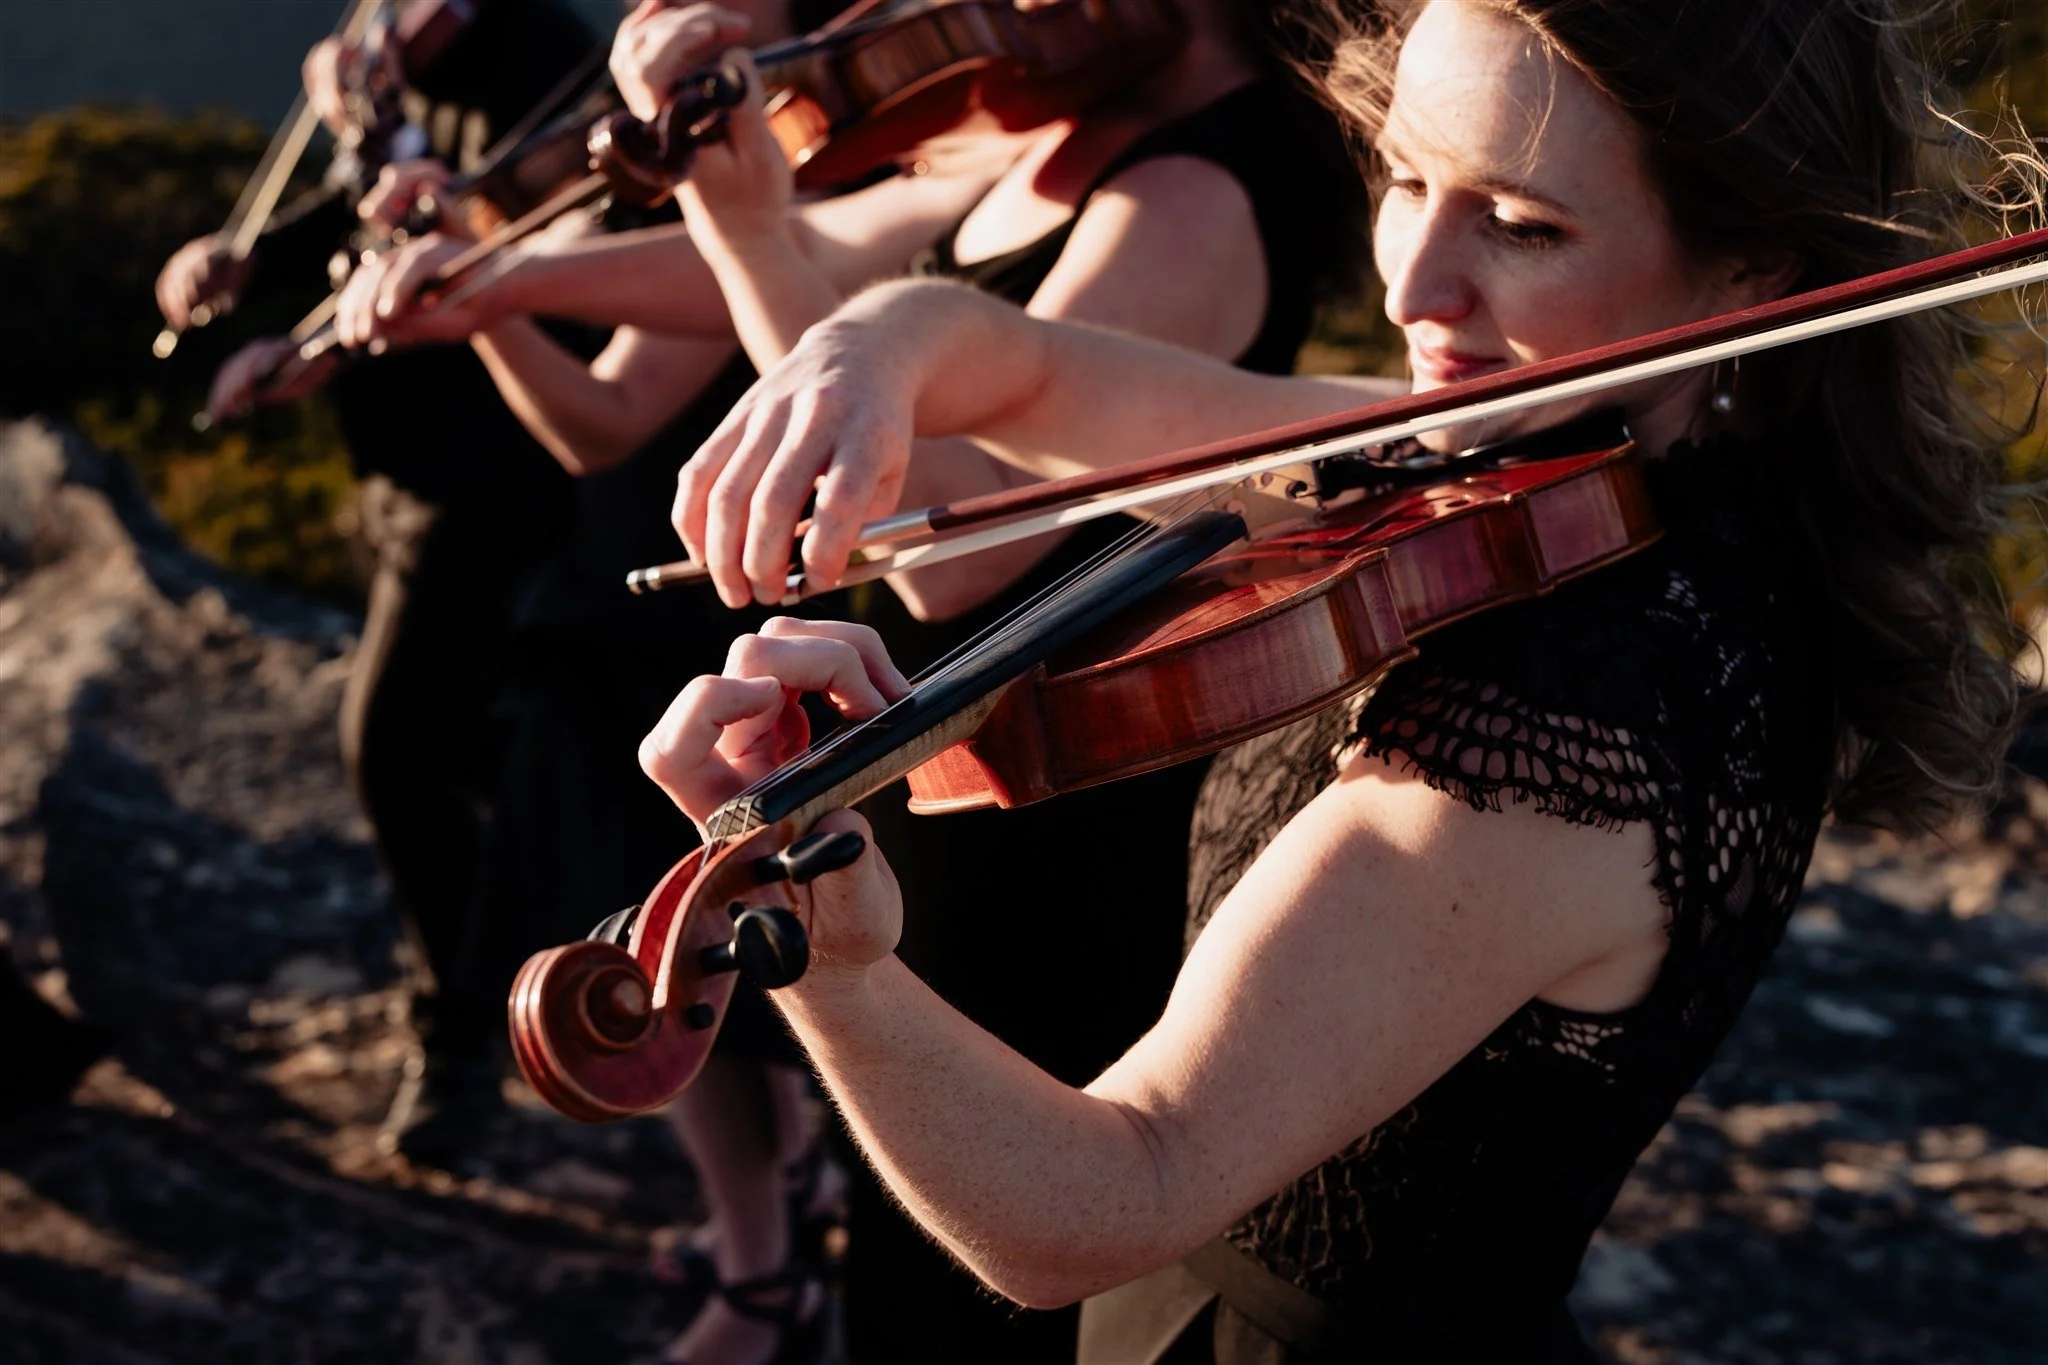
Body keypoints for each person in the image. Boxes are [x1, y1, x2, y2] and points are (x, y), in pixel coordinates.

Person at [634, 0, 2035, 1359]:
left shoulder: (1572, 714)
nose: (1414, 286)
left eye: (1523, 226)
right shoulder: (1541, 467)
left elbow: (1102, 1201)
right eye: (1407, 177)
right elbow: (1034, 373)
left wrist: (825, 954)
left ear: (1753, 276)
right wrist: (869, 346)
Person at [344, 2, 1361, 1359]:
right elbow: (795, 261)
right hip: (943, 738)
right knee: (914, 1192)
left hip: (1054, 769)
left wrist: (754, 236)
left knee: (982, 1244)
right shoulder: (1041, 132)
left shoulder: (1197, 189)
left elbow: (953, 549)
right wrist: (504, 282)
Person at [150, 0, 605, 1164]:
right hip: (400, 463)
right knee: (457, 749)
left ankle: (458, 1045)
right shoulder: (388, 60)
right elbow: (368, 223)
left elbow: (512, 231)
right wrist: (251, 270)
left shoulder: (542, 56)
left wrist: (395, 143)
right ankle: (542, 976)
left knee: (392, 743)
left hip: (492, 470)